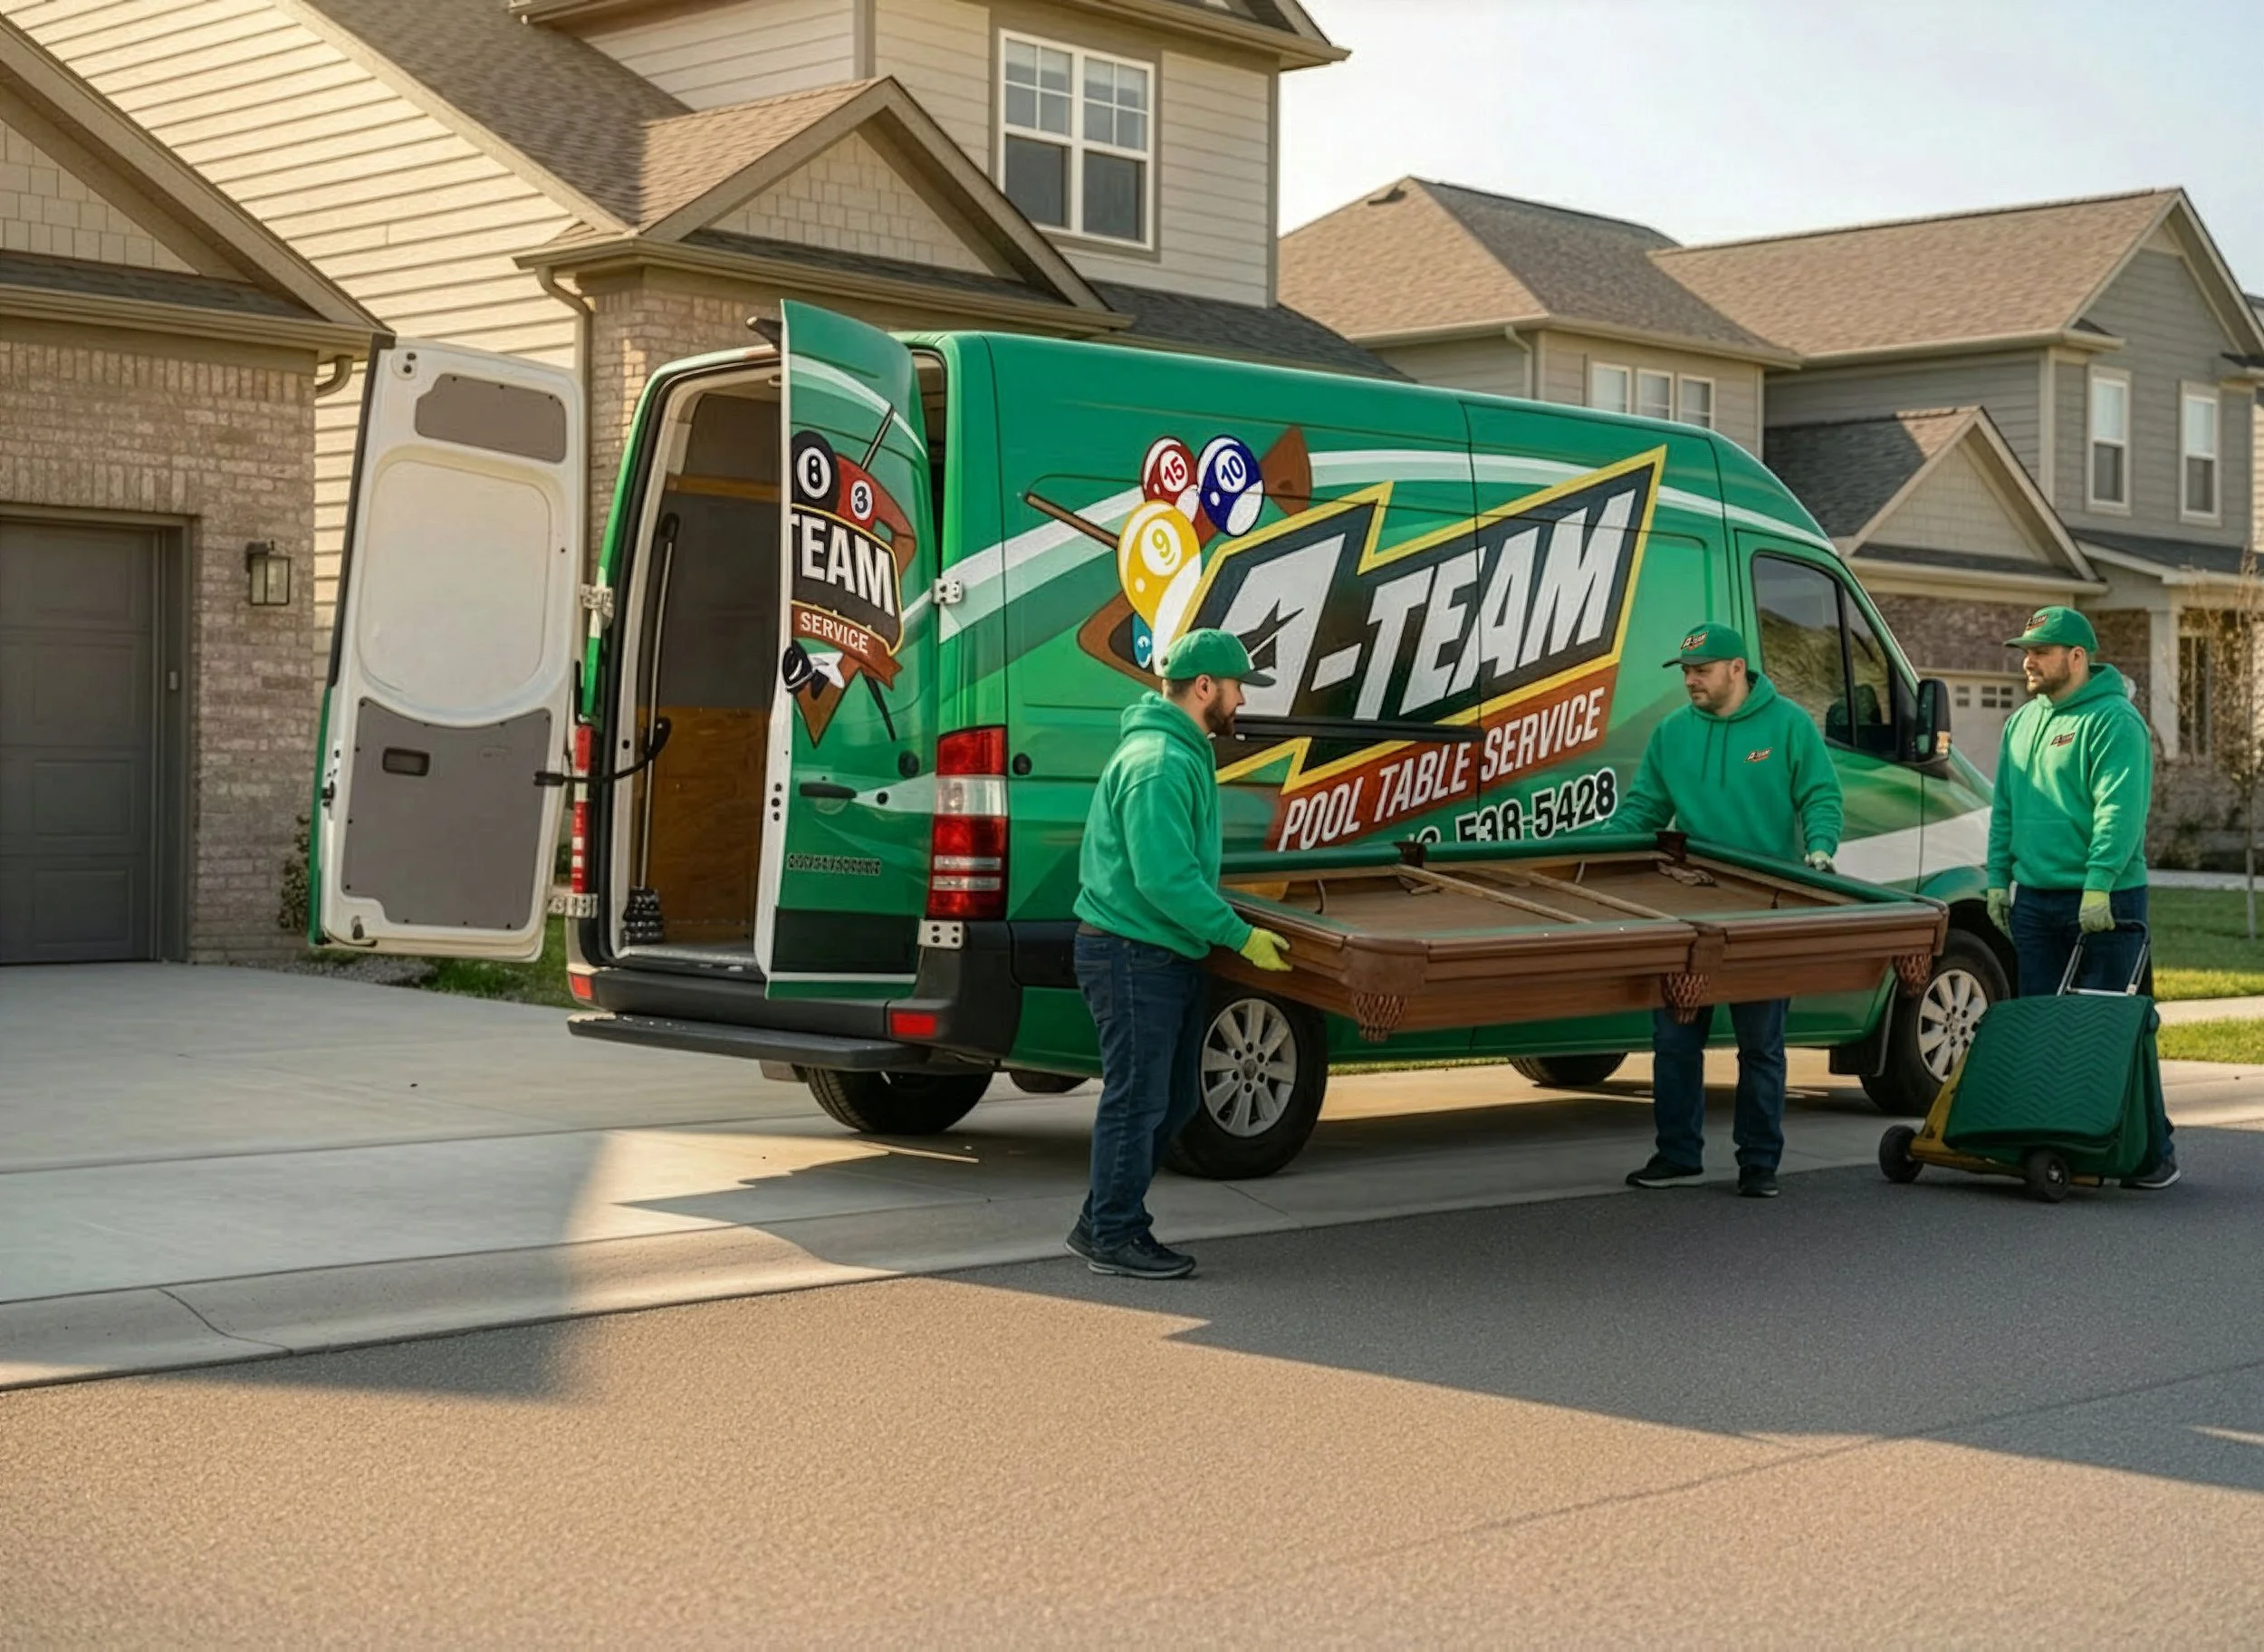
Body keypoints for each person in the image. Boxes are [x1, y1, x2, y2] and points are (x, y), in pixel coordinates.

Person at [1069, 628, 1293, 1278]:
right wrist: (1239, 936)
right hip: (1133, 953)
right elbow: (1165, 879)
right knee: (1139, 1100)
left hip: (1156, 951)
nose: (1242, 700)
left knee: (1173, 1101)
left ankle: (1100, 1221)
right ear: (1203, 686)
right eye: (1237, 687)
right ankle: (1115, 1235)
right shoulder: (1160, 764)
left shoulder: (1179, 752)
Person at [1615, 622, 1844, 1198]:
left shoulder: (1788, 725)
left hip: (1765, 911)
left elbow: (1820, 793)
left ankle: (1759, 1163)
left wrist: (1821, 849)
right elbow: (1642, 810)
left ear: (1737, 669)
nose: (1691, 680)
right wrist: (1589, 850)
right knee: (1674, 1042)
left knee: (1761, 1046)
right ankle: (1677, 1156)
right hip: (1689, 912)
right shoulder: (1672, 732)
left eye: (1702, 670)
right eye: (1687, 671)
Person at [1984, 606, 2175, 1188]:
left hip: (2105, 901)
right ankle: (2059, 1144)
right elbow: (2005, 807)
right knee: (2041, 1029)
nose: (2028, 661)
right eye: (2026, 651)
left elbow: (2119, 810)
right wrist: (1997, 878)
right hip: (2035, 900)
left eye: (2040, 652)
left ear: (2076, 657)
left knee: (2112, 1032)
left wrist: (2098, 884)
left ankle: (2151, 1154)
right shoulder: (2022, 723)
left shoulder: (2115, 721)